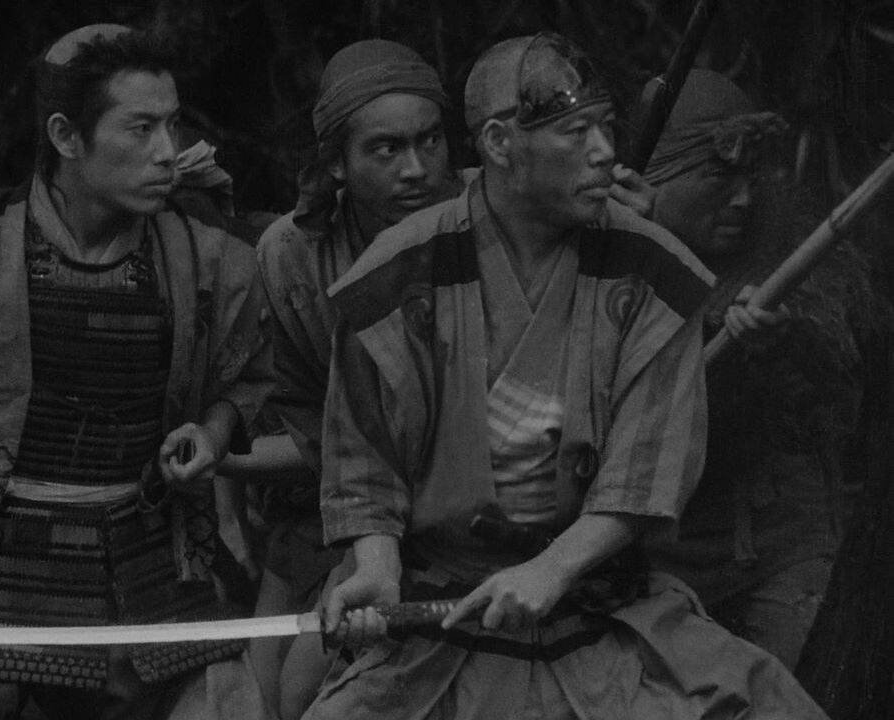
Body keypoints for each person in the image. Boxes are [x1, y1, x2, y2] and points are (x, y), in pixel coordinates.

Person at [302, 33, 829, 719]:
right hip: (443, 607)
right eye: (576, 133)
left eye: (606, 128)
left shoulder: (652, 269)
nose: (605, 152)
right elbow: (364, 463)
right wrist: (377, 565)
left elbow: (644, 469)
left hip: (599, 601)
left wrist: (552, 568)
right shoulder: (397, 271)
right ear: (499, 144)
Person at [0, 24, 273, 720]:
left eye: (172, 125)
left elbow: (250, 377)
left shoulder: (213, 256)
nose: (167, 151)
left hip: (147, 584)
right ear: (65, 135)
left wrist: (213, 432)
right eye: (141, 128)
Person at [643, 69, 877, 670]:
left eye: (750, 176)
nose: (743, 198)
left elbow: (839, 401)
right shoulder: (605, 254)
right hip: (654, 550)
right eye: (720, 176)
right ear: (654, 178)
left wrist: (780, 344)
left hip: (779, 538)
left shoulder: (788, 247)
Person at [251, 38, 457, 720]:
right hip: (336, 502)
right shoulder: (291, 254)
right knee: (271, 697)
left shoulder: (497, 221)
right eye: (386, 149)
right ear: (336, 163)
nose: (416, 169)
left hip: (470, 513)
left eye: (430, 142)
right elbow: (301, 409)